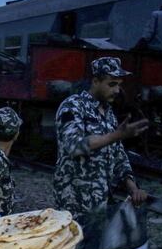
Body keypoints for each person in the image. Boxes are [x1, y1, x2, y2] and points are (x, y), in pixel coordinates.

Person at [52, 57, 149, 222]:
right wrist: (115, 136)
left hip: (101, 199)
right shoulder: (72, 106)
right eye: (112, 84)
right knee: (76, 246)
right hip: (75, 202)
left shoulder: (108, 112)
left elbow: (117, 154)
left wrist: (132, 187)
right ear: (96, 81)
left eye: (119, 84)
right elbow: (73, 146)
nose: (117, 90)